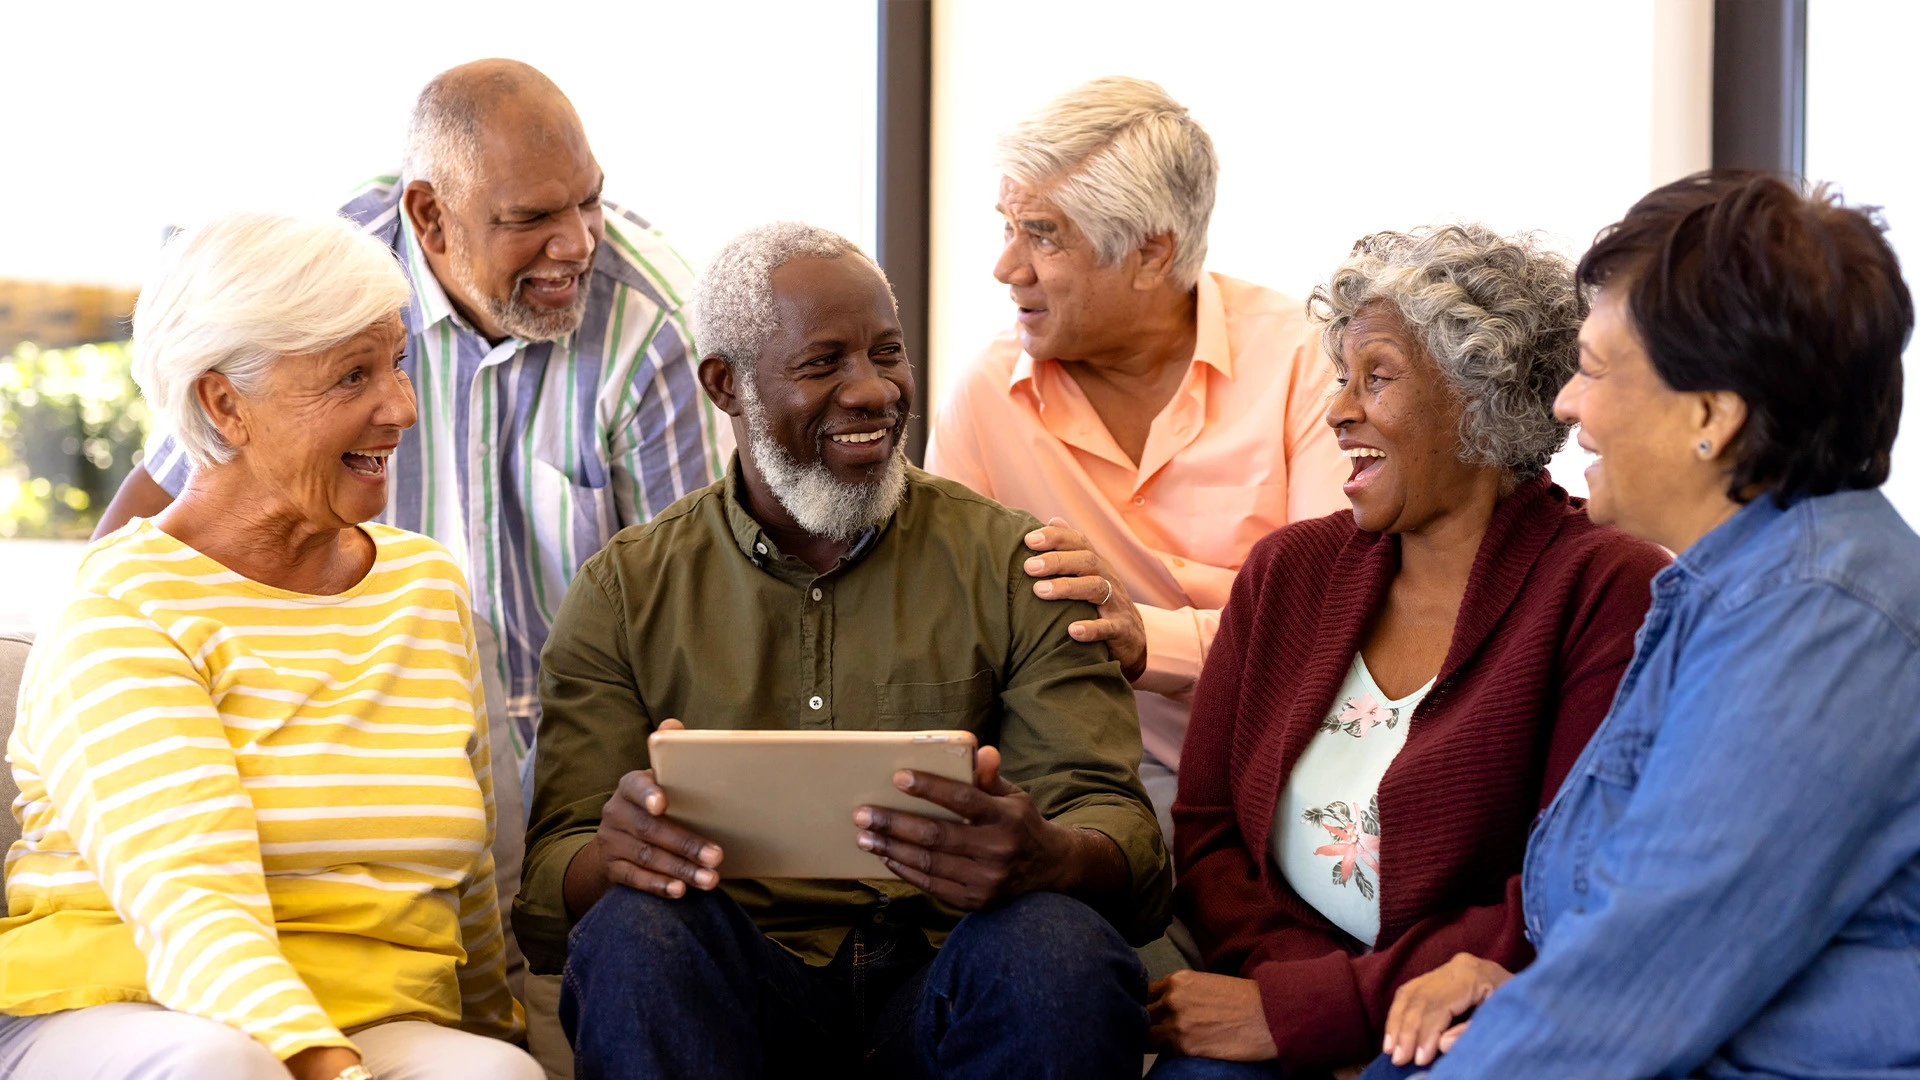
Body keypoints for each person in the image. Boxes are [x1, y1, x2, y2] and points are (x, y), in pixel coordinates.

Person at [89, 59, 725, 1002]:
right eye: (532, 219)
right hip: (357, 774)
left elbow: (694, 618)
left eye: (590, 203)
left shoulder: (653, 322)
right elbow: (182, 479)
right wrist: (94, 649)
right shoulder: (326, 288)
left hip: (575, 795)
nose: (577, 243)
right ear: (428, 216)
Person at [515, 222, 1171, 1078]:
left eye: (887, 354)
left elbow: (1124, 837)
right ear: (727, 386)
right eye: (823, 363)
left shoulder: (1016, 564)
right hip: (738, 990)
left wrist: (1054, 853)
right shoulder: (625, 592)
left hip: (949, 979)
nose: (872, 391)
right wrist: (616, 853)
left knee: (1057, 942)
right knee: (634, 932)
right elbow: (548, 892)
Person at [1359, 173, 1920, 1080]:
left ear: (1711, 418)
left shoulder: (1822, 620)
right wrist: (1525, 988)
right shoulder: (1738, 588)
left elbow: (1647, 974)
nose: (1566, 406)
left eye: (1593, 367)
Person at [0, 213, 540, 1080]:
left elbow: (467, 883)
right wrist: (335, 1071)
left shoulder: (425, 589)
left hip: (373, 1012)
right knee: (224, 1065)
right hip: (125, 1006)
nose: (400, 407)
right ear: (224, 404)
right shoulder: (125, 610)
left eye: (397, 362)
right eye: (352, 375)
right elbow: (195, 910)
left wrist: (501, 1036)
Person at [1147, 226, 1669, 1076]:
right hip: (1267, 992)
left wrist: (1326, 1014)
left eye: (1376, 378)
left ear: (1480, 399)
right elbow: (1208, 833)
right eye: (1342, 377)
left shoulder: (1608, 587)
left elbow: (1568, 883)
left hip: (1465, 1017)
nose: (1337, 410)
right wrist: (1290, 1005)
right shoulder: (1288, 572)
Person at [926, 77, 1346, 837]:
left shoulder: (1307, 366)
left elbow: (1339, 618)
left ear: (1152, 255)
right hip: (1092, 782)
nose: (1005, 266)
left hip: (1308, 769)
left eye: (1043, 234)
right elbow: (950, 643)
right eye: (1006, 226)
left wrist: (1148, 639)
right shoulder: (986, 397)